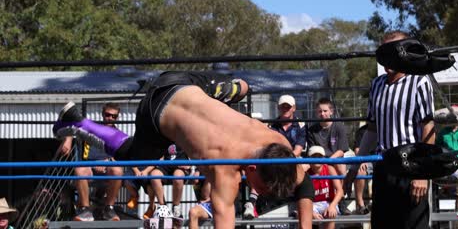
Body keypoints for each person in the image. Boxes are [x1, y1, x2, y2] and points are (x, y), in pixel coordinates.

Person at [54, 71, 314, 227]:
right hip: (155, 112)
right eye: (262, 187)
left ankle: (232, 88)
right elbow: (225, 222)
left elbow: (304, 184)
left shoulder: (280, 146)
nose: (259, 191)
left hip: (184, 82)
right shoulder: (225, 169)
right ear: (254, 169)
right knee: (136, 157)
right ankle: (79, 122)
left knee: (243, 87)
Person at [344, 31, 436, 229]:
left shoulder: (419, 81)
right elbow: (371, 130)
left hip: (411, 169)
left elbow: (428, 128)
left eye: (392, 52)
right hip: (383, 169)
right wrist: (353, 167)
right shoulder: (376, 85)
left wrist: (422, 174)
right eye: (383, 52)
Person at [242, 94, 306, 219]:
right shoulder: (273, 126)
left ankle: (294, 204)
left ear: (294, 108)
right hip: (275, 159)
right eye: (283, 107)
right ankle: (250, 204)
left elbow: (298, 149)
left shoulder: (300, 125)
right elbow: (268, 147)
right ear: (278, 108)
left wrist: (284, 160)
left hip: (292, 159)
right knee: (257, 169)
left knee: (301, 169)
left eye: (288, 107)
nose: (285, 109)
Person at [56, 102, 123, 222]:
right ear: (103, 114)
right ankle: (85, 210)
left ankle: (109, 209)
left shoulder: (118, 135)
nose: (110, 118)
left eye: (114, 116)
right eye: (108, 115)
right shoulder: (93, 128)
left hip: (107, 168)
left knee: (117, 170)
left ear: (117, 118)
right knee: (79, 170)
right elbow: (74, 128)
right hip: (89, 167)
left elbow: (122, 156)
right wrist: (68, 140)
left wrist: (107, 161)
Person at [307, 98, 349, 176]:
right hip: (318, 161)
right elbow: (312, 151)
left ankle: (342, 188)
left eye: (325, 111)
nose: (322, 114)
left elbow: (341, 150)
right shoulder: (311, 130)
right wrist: (321, 162)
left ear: (331, 111)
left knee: (340, 165)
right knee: (303, 167)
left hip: (334, 160)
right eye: (320, 111)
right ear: (317, 113)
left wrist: (329, 161)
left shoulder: (339, 127)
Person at [305, 146, 343, 229]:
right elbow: (303, 197)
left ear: (323, 158)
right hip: (313, 204)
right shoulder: (306, 174)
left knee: (331, 214)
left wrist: (332, 205)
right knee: (305, 214)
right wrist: (311, 212)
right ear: (309, 159)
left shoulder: (329, 169)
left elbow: (340, 191)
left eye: (319, 156)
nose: (317, 159)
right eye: (314, 157)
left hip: (329, 202)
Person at [149, 144, 191, 219]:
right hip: (166, 166)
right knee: (154, 175)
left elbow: (194, 152)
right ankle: (163, 207)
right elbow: (160, 155)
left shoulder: (184, 135)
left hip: (181, 166)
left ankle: (176, 207)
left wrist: (190, 164)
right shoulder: (164, 136)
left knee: (177, 177)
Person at [351, 122, 374, 215]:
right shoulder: (362, 131)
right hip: (366, 159)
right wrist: (362, 160)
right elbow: (357, 150)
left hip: (382, 159)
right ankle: (360, 205)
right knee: (360, 171)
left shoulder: (386, 128)